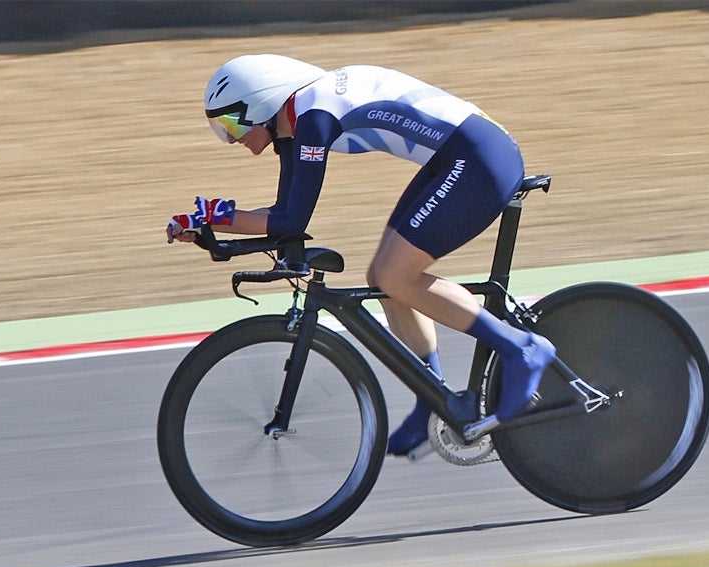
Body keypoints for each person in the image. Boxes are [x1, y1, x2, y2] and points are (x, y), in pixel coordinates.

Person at [166, 54, 555, 456]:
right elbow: (283, 216)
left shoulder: (313, 115)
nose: (231, 139)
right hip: (456, 159)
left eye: (232, 124)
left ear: (262, 102)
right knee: (383, 279)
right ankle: (434, 400)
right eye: (220, 130)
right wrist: (207, 223)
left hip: (478, 161)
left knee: (396, 276)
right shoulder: (294, 124)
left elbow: (291, 220)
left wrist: (216, 215)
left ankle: (520, 347)